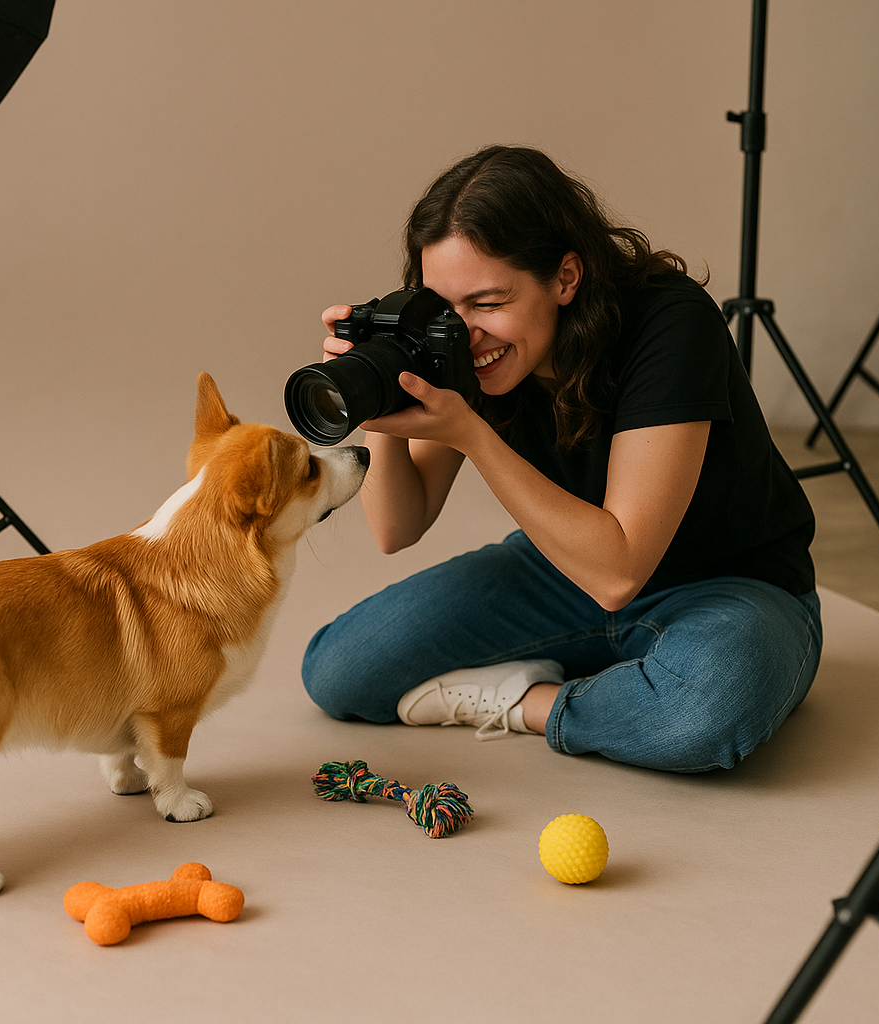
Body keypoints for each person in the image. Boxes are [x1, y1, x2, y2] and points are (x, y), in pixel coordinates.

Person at [301, 145, 822, 773]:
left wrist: (472, 434)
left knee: (704, 706)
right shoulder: (458, 346)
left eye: (489, 303)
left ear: (565, 277)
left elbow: (620, 572)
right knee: (339, 671)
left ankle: (529, 700)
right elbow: (396, 528)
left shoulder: (671, 323)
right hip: (564, 571)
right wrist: (383, 392)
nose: (465, 333)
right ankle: (624, 684)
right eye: (444, 306)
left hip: (730, 586)